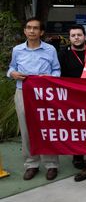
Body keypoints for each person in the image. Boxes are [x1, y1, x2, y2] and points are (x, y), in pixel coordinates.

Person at [7, 17, 61, 180]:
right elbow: (11, 68)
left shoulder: (50, 49)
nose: (32, 31)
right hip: (23, 93)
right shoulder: (17, 50)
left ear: (41, 32)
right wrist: (12, 74)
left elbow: (57, 70)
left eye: (35, 28)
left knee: (47, 128)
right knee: (26, 129)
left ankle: (51, 164)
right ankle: (31, 164)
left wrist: (49, 78)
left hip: (44, 94)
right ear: (24, 31)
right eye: (29, 28)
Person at [58, 25, 86, 170]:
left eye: (79, 35)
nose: (76, 37)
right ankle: (78, 155)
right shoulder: (63, 53)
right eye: (73, 35)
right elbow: (59, 75)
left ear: (85, 36)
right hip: (73, 96)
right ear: (69, 38)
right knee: (77, 127)